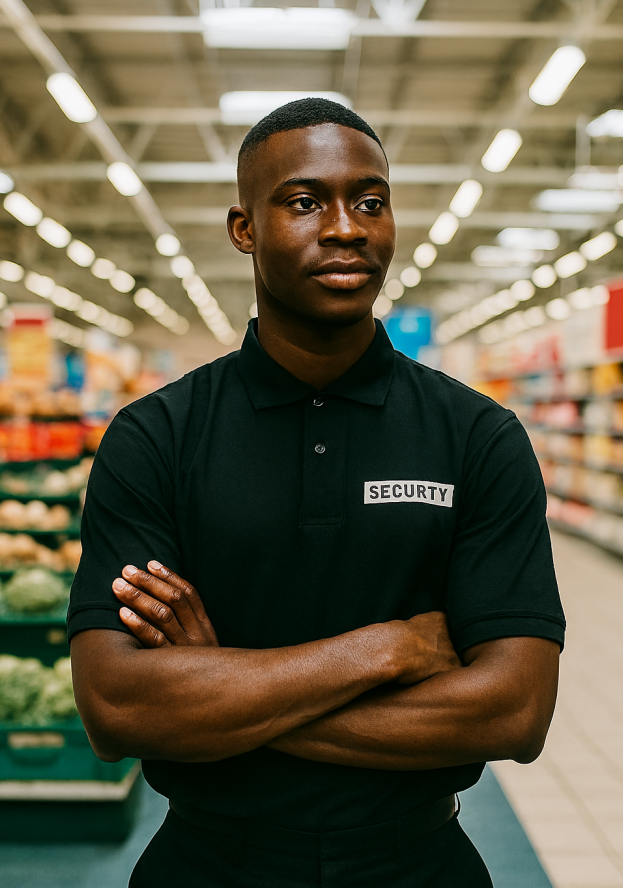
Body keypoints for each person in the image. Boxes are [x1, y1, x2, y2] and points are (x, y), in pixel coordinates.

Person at [69, 99, 565, 887]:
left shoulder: (477, 436)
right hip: (209, 863)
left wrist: (225, 690)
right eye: (304, 202)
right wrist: (384, 650)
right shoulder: (155, 436)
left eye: (370, 201)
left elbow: (512, 710)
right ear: (244, 229)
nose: (345, 226)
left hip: (417, 864)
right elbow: (116, 707)